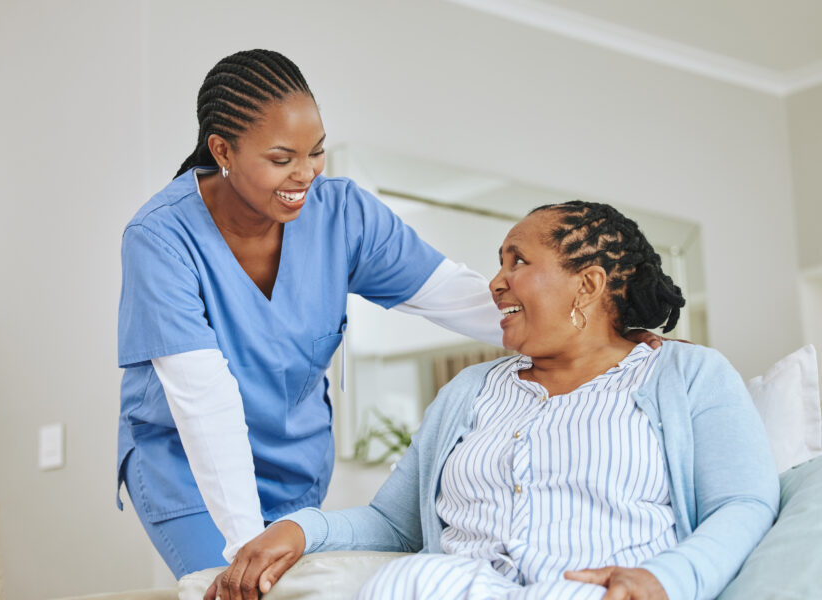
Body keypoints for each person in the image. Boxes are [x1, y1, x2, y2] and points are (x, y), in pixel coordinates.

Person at [209, 201, 780, 600]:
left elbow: (744, 503)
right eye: (500, 263)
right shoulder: (469, 391)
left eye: (518, 261)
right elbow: (395, 520)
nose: (496, 282)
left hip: (591, 590)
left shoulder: (687, 374)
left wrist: (668, 581)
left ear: (588, 285)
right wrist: (302, 529)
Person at [116, 49, 510, 578]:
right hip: (188, 467)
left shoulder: (343, 214)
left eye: (316, 152)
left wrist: (597, 330)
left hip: (297, 468)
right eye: (282, 159)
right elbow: (202, 400)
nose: (305, 174)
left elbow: (456, 296)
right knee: (237, 585)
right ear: (222, 149)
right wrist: (244, 546)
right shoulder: (161, 237)